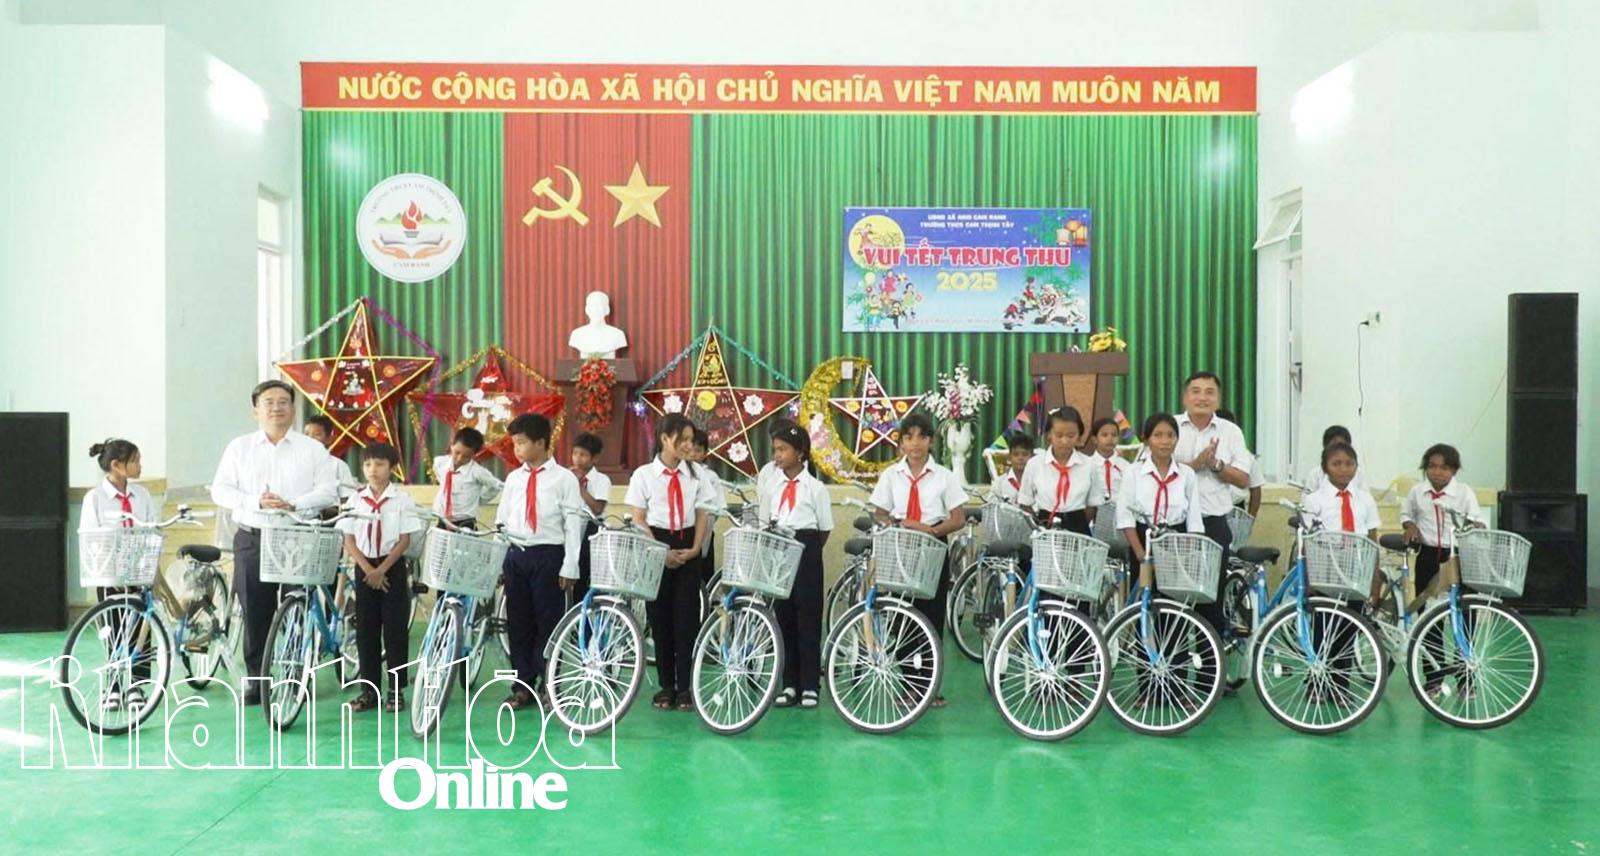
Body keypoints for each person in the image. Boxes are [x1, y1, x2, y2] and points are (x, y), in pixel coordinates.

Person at [210, 380, 339, 704]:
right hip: (253, 536)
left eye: (283, 401)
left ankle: (296, 678)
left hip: (299, 535)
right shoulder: (239, 447)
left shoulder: (312, 449)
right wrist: (255, 501)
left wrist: (294, 504)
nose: (276, 407)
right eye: (268, 402)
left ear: (293, 409)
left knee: (298, 608)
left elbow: (329, 491)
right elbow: (221, 490)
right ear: (256, 410)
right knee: (255, 611)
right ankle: (258, 681)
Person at [869, 411, 968, 708]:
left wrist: (932, 530)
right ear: (901, 443)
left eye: (922, 437)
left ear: (931, 441)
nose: (915, 443)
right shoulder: (891, 475)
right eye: (908, 437)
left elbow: (958, 518)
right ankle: (910, 683)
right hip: (900, 545)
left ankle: (929, 686)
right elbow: (879, 512)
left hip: (933, 545)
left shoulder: (945, 476)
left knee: (930, 617)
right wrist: (896, 524)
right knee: (900, 617)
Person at [626, 413, 719, 711]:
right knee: (660, 618)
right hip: (656, 545)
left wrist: (695, 548)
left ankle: (686, 688)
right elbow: (638, 517)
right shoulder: (643, 475)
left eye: (692, 440)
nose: (689, 445)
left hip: (688, 544)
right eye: (684, 439)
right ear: (665, 439)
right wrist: (660, 551)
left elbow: (703, 513)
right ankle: (666, 686)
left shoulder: (697, 474)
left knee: (687, 619)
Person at [494, 413, 586, 709]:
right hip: (517, 555)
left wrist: (570, 564)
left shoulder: (564, 479)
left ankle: (550, 685)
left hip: (548, 555)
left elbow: (573, 523)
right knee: (518, 624)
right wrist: (498, 560)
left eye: (522, 443)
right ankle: (522, 686)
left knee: (549, 623)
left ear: (541, 443)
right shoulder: (514, 479)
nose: (517, 449)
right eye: (515, 443)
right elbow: (502, 520)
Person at [338, 443, 422, 713]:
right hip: (364, 568)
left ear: (392, 468)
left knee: (395, 631)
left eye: (379, 464)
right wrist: (368, 570)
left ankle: (396, 691)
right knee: (366, 631)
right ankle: (369, 691)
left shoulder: (402, 499)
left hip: (392, 567)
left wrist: (382, 570)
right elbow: (348, 539)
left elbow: (405, 539)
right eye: (367, 464)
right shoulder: (355, 500)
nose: (372, 470)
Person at [79, 438, 160, 712]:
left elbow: (151, 527)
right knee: (113, 629)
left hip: (138, 570)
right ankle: (113, 685)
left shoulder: (142, 495)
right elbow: (90, 537)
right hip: (109, 574)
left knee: (140, 627)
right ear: (116, 465)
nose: (140, 466)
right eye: (135, 461)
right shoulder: (95, 498)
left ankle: (137, 685)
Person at [1400, 443, 1486, 696]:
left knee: (1463, 618)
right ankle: (1433, 678)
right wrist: (1410, 526)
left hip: (1458, 558)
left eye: (1444, 468)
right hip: (1428, 556)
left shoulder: (1464, 493)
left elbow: (1477, 519)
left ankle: (1466, 678)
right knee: (1429, 618)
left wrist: (1474, 525)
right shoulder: (1417, 492)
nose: (1437, 472)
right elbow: (1406, 514)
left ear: (1454, 470)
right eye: (1432, 466)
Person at [761, 424, 833, 709]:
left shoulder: (815, 488)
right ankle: (789, 683)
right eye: (775, 450)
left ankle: (810, 685)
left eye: (783, 449)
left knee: (808, 619)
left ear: (800, 453)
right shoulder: (771, 485)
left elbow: (824, 529)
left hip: (807, 549)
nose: (777, 455)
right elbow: (765, 520)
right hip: (780, 550)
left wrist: (807, 549)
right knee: (785, 618)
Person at [1173, 371, 1251, 634]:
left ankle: (1210, 660)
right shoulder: (1170, 427)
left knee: (1211, 599)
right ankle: (1174, 660)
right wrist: (1195, 465)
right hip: (1175, 525)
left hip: (1213, 525)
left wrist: (1216, 465)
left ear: (1218, 399)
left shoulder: (1231, 432)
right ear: (1185, 397)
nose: (1202, 398)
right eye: (1196, 391)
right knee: (1173, 599)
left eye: (1209, 392)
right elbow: (1150, 472)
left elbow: (1243, 479)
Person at [1017, 406, 1104, 534]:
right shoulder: (1035, 464)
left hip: (1078, 526)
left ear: (1079, 436)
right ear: (1049, 435)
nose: (1065, 441)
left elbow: (1093, 503)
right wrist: (1038, 527)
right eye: (1059, 435)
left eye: (1071, 435)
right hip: (1044, 526)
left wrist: (1079, 525)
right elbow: (1025, 502)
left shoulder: (1089, 465)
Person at [430, 427, 503, 531]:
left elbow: (496, 486)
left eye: (466, 456)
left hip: (465, 522)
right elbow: (440, 476)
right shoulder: (440, 463)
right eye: (457, 452)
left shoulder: (477, 472)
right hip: (442, 519)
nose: (460, 458)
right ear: (452, 445)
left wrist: (479, 499)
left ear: (474, 455)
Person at [568, 432, 611, 603]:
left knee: (584, 574)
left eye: (583, 455)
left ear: (595, 458)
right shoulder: (565, 477)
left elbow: (598, 509)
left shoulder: (601, 480)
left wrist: (579, 486)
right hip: (570, 528)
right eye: (575, 453)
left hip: (591, 531)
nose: (577, 459)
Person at [688, 426, 726, 580]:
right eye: (690, 449)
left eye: (697, 450)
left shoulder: (711, 477)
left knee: (705, 571)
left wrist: (706, 522)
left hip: (705, 531)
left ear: (705, 453)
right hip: (684, 530)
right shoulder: (679, 474)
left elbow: (718, 506)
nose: (693, 454)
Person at [1215, 408, 1263, 518]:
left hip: (1236, 509)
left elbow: (1256, 489)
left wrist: (1250, 518)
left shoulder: (1246, 456)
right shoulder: (1204, 454)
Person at [1301, 425, 1371, 496]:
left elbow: (1365, 496)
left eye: (1342, 446)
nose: (1338, 450)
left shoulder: (1358, 473)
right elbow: (1306, 498)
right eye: (1334, 446)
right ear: (1325, 447)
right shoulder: (1315, 474)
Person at [303, 414, 360, 500]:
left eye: (316, 434)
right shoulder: (293, 463)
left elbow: (348, 498)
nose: (310, 439)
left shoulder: (338, 466)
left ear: (329, 439)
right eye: (306, 434)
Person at [1087, 417, 1130, 508]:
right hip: (1094, 511)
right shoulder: (1087, 465)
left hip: (1120, 512)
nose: (1110, 438)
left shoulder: (1125, 466)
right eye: (1104, 435)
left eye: (1114, 435)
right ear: (1094, 439)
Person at [988, 431, 1033, 504]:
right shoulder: (999, 483)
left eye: (1025, 454)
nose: (1020, 458)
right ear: (1009, 457)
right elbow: (990, 506)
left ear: (1032, 457)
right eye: (1016, 454)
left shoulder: (1038, 481)